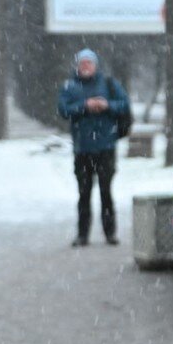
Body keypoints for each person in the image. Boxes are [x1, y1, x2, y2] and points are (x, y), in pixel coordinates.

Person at [57, 48, 131, 247]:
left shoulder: (108, 83)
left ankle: (110, 233)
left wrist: (107, 105)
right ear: (78, 66)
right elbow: (63, 110)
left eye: (89, 63)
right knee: (84, 193)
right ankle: (83, 235)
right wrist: (84, 106)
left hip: (105, 146)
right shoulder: (70, 86)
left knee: (106, 192)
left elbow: (124, 105)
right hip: (82, 148)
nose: (85, 67)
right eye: (82, 63)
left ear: (95, 65)